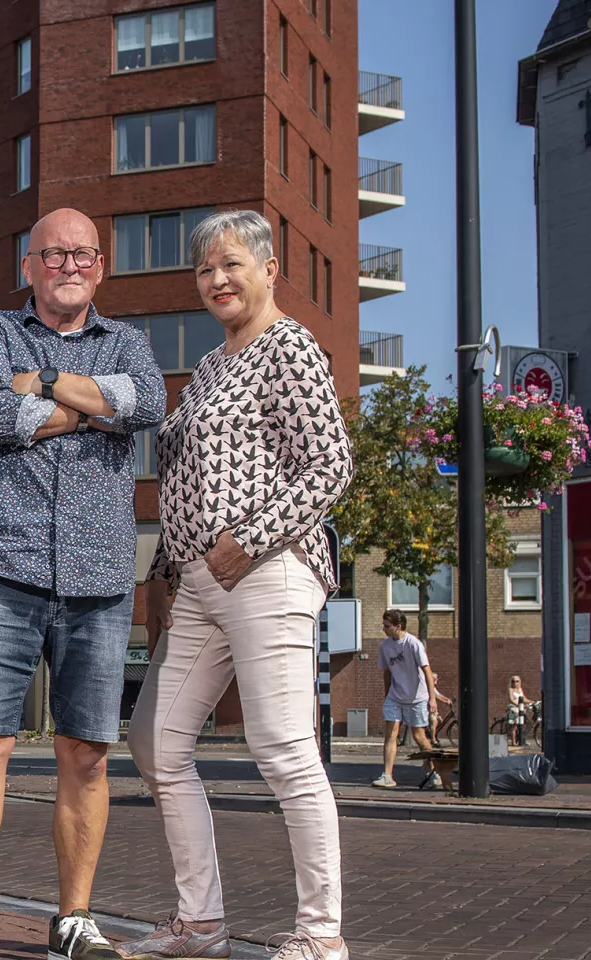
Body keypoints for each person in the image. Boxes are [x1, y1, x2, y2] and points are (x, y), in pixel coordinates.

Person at [0, 208, 165, 960]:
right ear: (29, 266)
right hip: (3, 569)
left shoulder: (129, 343)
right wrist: (96, 408)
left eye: (83, 254)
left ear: (101, 266)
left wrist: (45, 385)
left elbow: (147, 404)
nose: (69, 265)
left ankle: (74, 922)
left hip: (100, 576)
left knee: (87, 754)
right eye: (54, 254)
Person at [119, 210, 354, 960]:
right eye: (205, 270)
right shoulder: (213, 365)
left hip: (269, 571)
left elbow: (331, 465)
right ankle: (201, 924)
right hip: (196, 583)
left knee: (283, 747)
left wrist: (248, 541)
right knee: (155, 742)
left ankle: (321, 934)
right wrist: (165, 570)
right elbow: (187, 481)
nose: (217, 280)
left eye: (231, 265)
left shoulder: (290, 348)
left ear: (268, 269)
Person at [372, 609, 449, 790]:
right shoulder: (385, 646)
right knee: (391, 733)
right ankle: (387, 776)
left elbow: (427, 671)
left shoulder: (413, 644)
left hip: (416, 697)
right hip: (395, 696)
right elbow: (386, 672)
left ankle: (435, 773)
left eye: (387, 626)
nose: (384, 629)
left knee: (418, 736)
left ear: (398, 626)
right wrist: (387, 694)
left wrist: (432, 698)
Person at [506, 675, 535, 747]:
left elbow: (524, 698)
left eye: (517, 681)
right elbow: (511, 699)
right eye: (513, 681)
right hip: (514, 708)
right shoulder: (510, 689)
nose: (515, 683)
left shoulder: (520, 689)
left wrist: (531, 701)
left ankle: (522, 739)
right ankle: (513, 742)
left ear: (519, 682)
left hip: (521, 709)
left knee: (528, 722)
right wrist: (519, 705)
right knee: (515, 726)